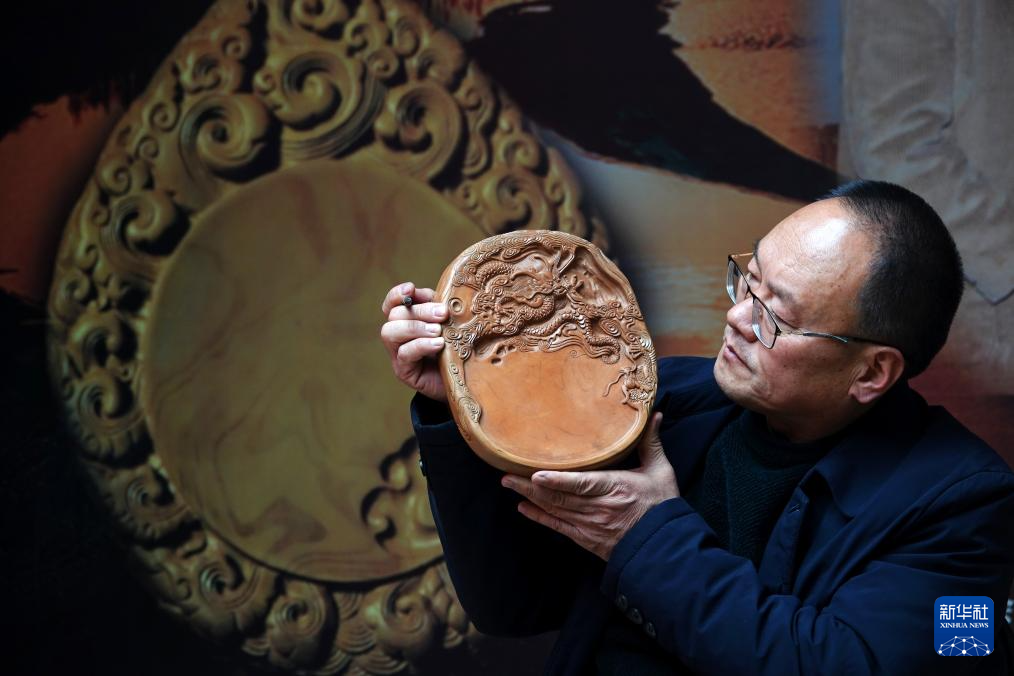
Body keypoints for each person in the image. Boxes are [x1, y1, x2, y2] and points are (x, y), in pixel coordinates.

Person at [379, 180, 1014, 674]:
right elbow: (511, 605)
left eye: (774, 317)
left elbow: (852, 665)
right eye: (749, 281)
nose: (737, 317)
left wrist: (647, 536)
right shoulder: (659, 400)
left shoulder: (969, 508)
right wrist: (457, 406)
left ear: (872, 372)